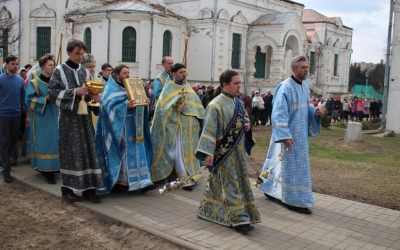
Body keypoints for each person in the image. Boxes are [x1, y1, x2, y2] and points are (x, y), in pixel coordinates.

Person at [196, 69, 261, 233]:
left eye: (240, 83)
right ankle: (239, 218)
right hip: (224, 153)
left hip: (238, 152)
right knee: (230, 182)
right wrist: (208, 154)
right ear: (225, 85)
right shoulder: (215, 105)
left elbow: (245, 120)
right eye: (236, 83)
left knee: (222, 183)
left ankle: (209, 209)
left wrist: (247, 125)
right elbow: (208, 131)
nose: (239, 86)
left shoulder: (238, 103)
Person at [258, 55, 322, 215]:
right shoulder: (285, 87)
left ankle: (270, 189)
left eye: (307, 67)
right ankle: (293, 199)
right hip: (287, 135)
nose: (306, 70)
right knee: (288, 166)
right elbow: (278, 113)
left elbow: (306, 105)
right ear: (294, 69)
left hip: (300, 136)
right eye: (302, 67)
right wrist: (284, 135)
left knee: (286, 165)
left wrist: (315, 112)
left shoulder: (305, 85)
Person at [48, 39, 104, 203]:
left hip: (84, 118)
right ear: (69, 52)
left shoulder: (85, 72)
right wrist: (74, 92)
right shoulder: (59, 71)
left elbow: (87, 94)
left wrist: (93, 96)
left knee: (88, 151)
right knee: (70, 153)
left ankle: (88, 190)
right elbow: (52, 93)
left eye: (82, 54)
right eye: (77, 53)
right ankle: (67, 191)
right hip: (68, 120)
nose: (80, 57)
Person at [95, 64, 157, 194]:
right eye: (124, 73)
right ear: (117, 75)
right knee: (124, 156)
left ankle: (144, 182)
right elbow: (106, 107)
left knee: (139, 152)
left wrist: (144, 104)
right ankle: (121, 182)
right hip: (120, 128)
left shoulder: (133, 87)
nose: (127, 75)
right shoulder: (110, 89)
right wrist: (125, 106)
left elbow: (139, 104)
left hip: (135, 126)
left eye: (128, 73)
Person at [150, 63, 205, 190]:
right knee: (180, 152)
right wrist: (175, 108)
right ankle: (184, 178)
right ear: (173, 74)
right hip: (176, 127)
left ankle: (192, 175)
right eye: (181, 72)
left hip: (190, 127)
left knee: (190, 152)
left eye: (185, 72)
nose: (184, 74)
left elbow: (197, 106)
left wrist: (198, 122)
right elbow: (161, 109)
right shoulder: (169, 87)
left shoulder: (188, 87)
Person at [25, 54, 60, 184]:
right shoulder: (35, 83)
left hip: (56, 116)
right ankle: (47, 171)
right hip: (42, 118)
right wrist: (46, 99)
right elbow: (29, 100)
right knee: (46, 144)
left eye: (53, 65)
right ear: (42, 66)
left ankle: (55, 168)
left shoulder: (56, 82)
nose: (53, 67)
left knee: (56, 143)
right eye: (50, 65)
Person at [0, 55, 26, 183]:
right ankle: (6, 170)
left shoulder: (20, 80)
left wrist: (27, 115)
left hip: (16, 115)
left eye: (17, 64)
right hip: (3, 115)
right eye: (13, 64)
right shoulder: (0, 79)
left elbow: (24, 99)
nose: (15, 66)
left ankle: (3, 159)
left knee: (13, 141)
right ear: (7, 65)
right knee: (4, 141)